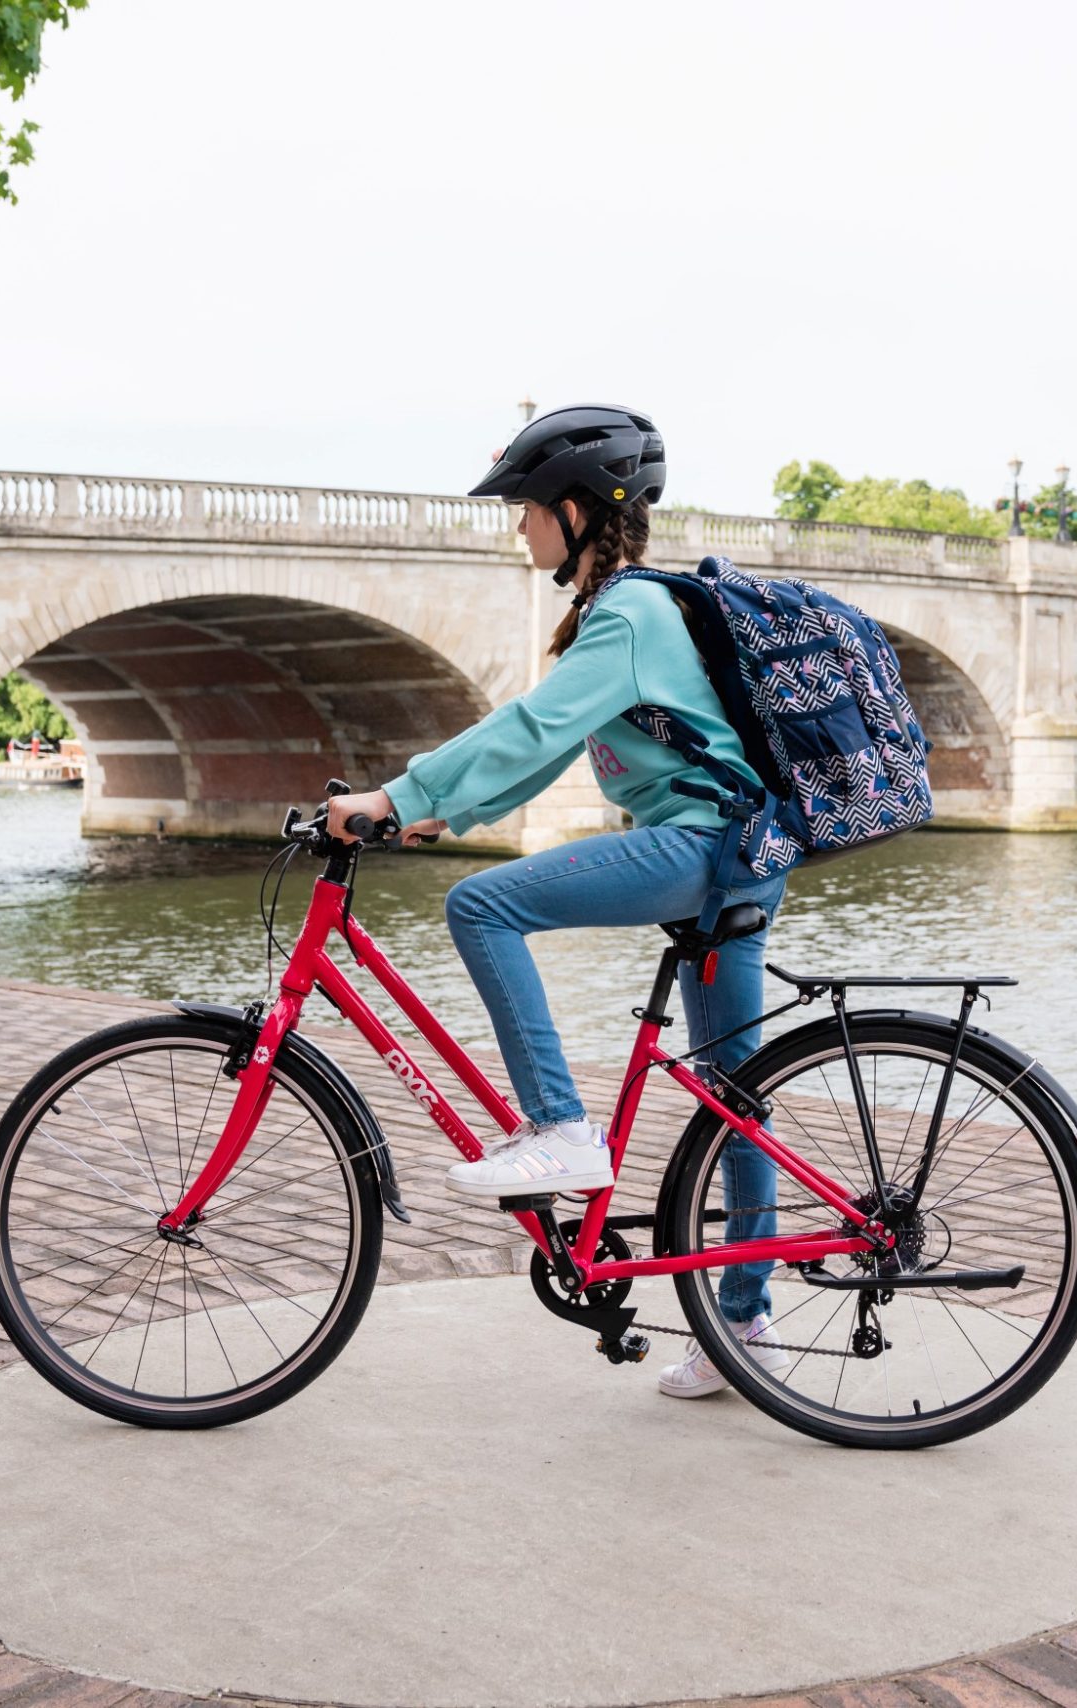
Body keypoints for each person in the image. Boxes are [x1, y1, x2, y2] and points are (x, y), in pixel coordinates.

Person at [322, 404, 789, 1398]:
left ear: (574, 511)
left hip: (703, 848)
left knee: (483, 908)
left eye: (527, 511)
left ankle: (559, 1128)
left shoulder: (627, 613)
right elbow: (549, 747)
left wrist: (399, 793)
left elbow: (532, 722)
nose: (518, 529)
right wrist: (444, 811)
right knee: (734, 1103)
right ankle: (746, 1323)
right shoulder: (624, 614)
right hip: (739, 851)